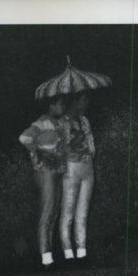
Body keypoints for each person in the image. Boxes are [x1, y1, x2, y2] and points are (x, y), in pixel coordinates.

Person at [18, 95, 67, 266]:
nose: (63, 107)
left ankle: (49, 256)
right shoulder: (42, 122)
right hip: (44, 172)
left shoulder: (59, 124)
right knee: (47, 212)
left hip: (57, 171)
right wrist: (40, 152)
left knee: (54, 212)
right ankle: (45, 257)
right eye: (60, 104)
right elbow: (24, 138)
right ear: (51, 106)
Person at [58, 92, 96, 262]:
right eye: (83, 100)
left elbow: (92, 148)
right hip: (71, 169)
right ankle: (67, 253)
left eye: (87, 101)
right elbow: (60, 151)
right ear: (75, 101)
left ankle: (81, 252)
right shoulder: (62, 122)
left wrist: (87, 143)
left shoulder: (85, 120)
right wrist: (75, 142)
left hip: (87, 167)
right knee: (68, 212)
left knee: (82, 213)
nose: (86, 104)